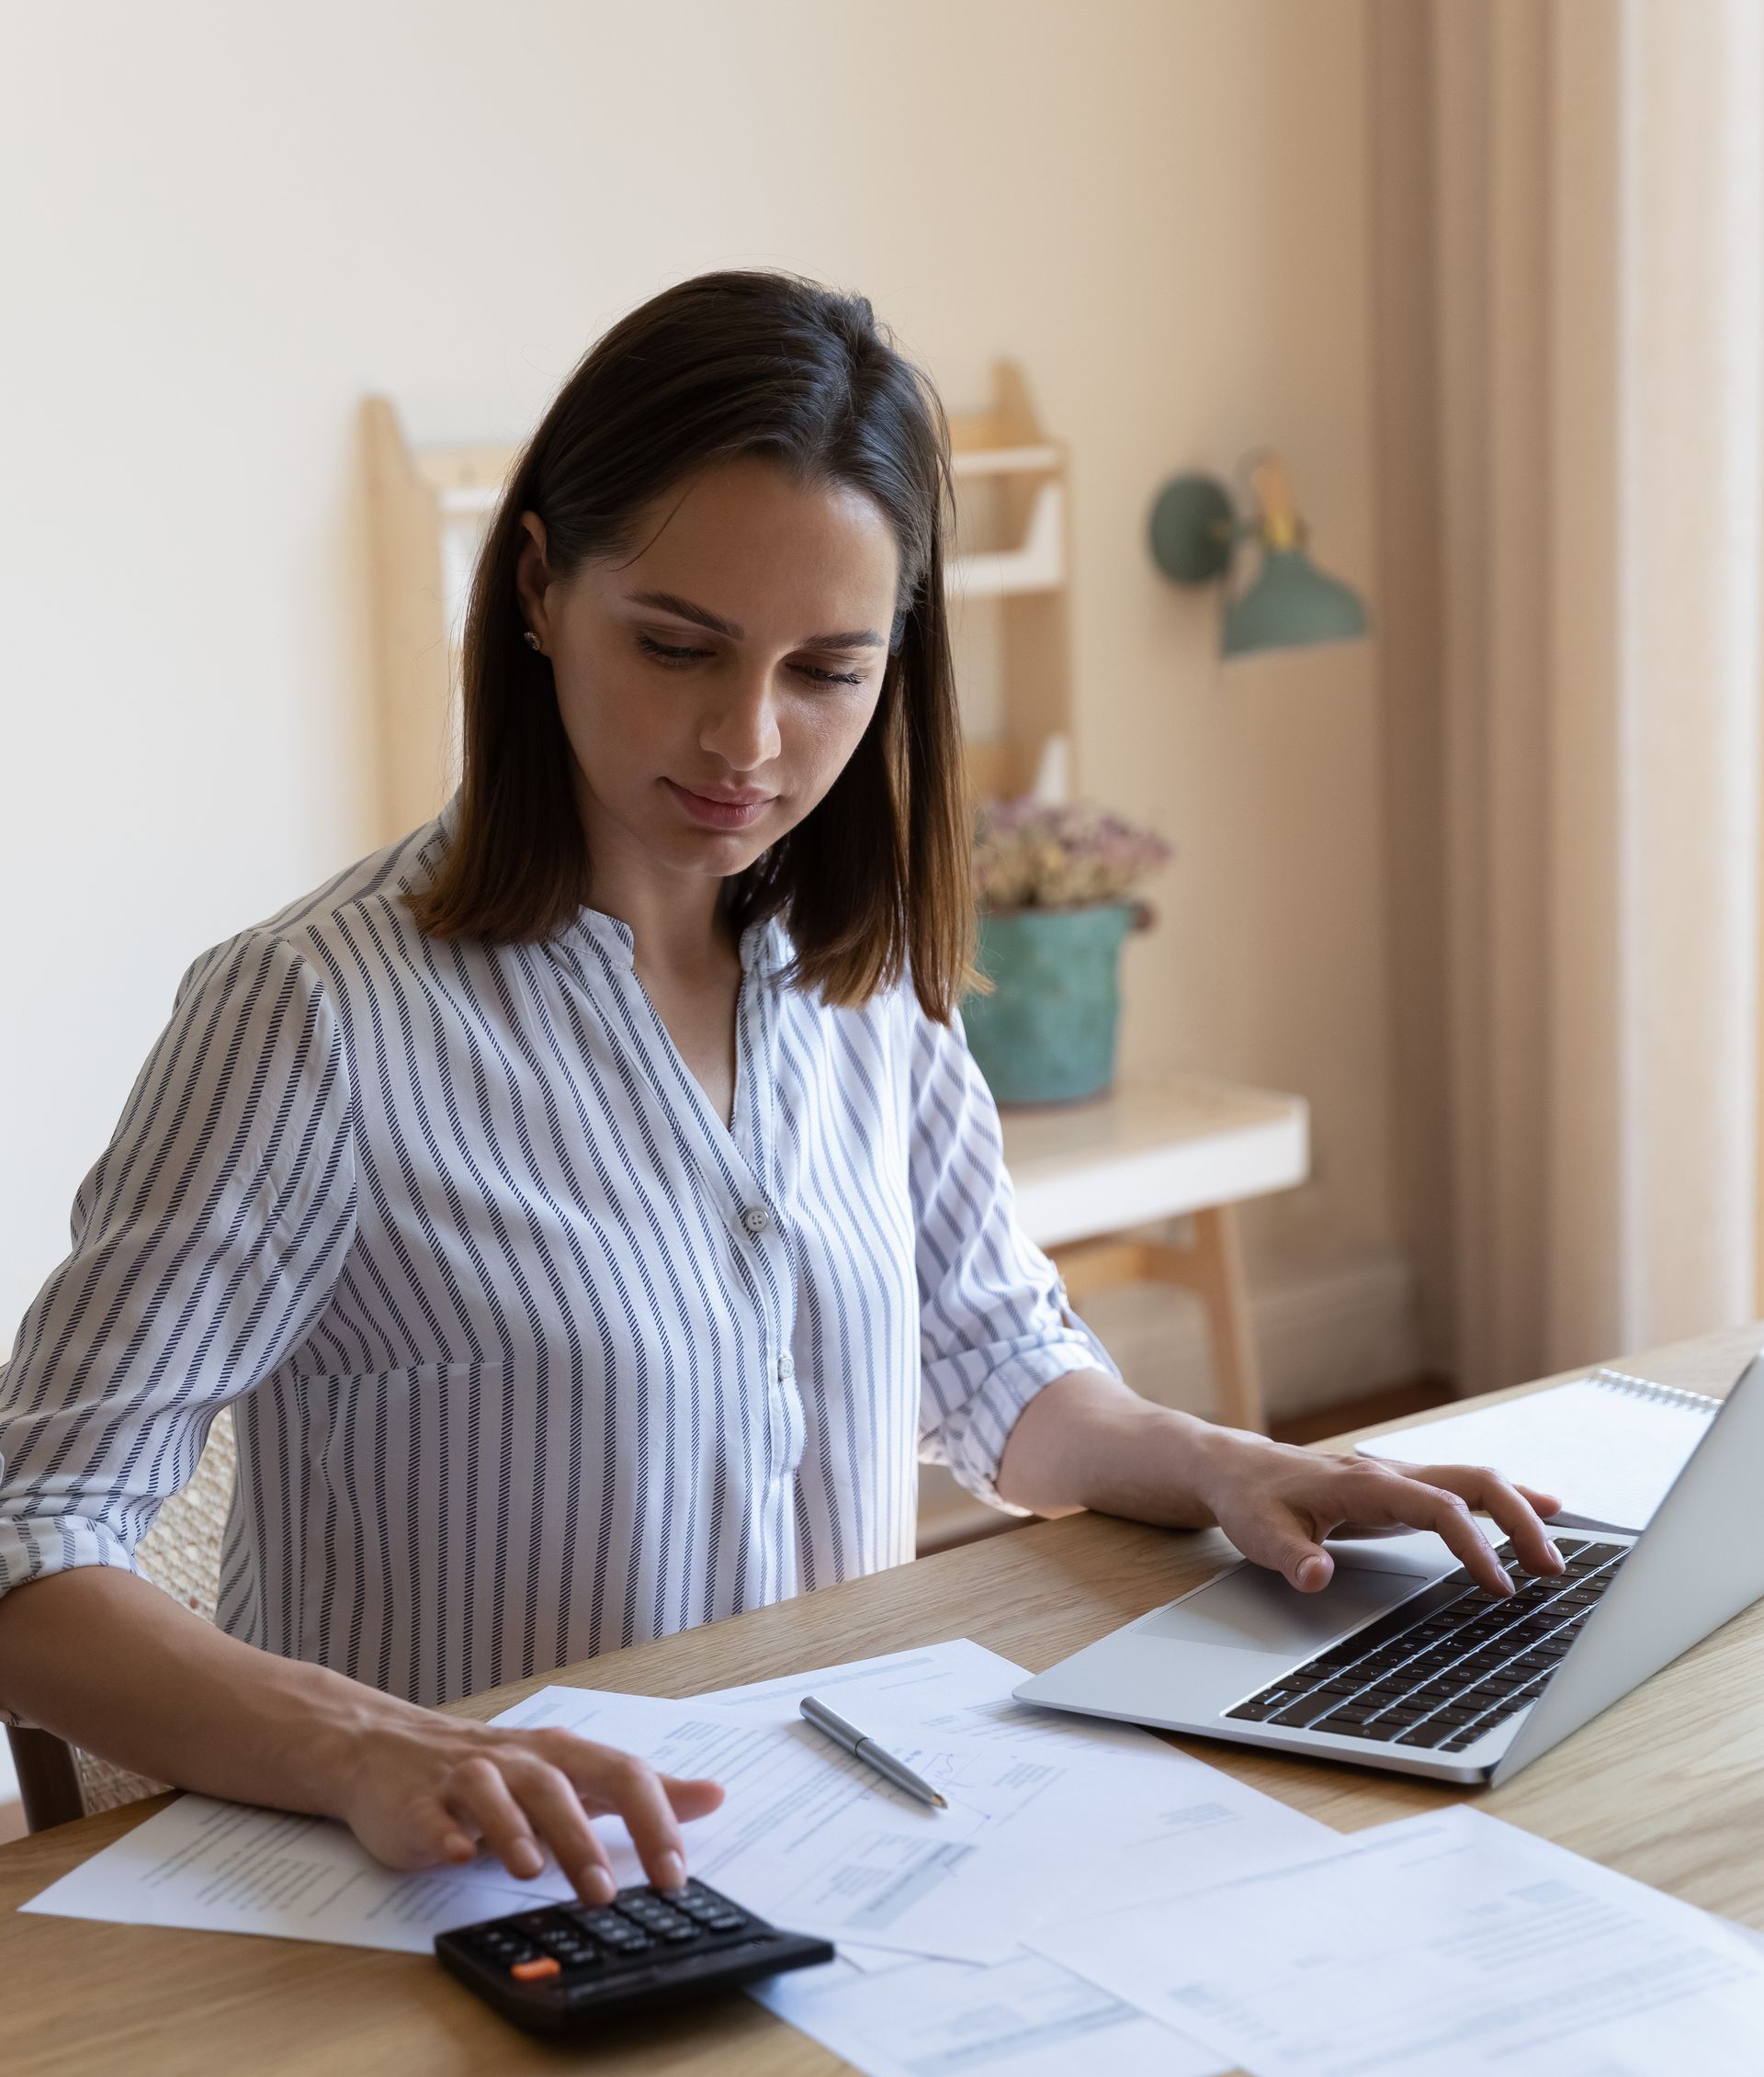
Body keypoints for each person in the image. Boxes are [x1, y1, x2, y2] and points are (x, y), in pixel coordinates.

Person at [0, 271, 1564, 1902]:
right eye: (677, 645)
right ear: (538, 585)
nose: (745, 740)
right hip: (471, 1908)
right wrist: (367, 1745)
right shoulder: (312, 1017)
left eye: (828, 671)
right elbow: (27, 1549)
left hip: (828, 1860)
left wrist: (1220, 1461)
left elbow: (998, 1363)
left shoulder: (862, 971)